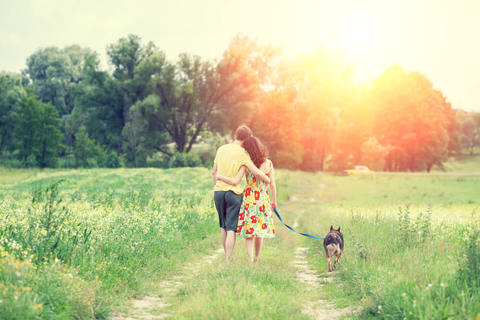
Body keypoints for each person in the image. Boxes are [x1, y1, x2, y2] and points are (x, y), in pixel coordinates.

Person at [212, 126, 270, 262]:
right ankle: (228, 259)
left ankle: (227, 257)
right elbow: (256, 172)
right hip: (234, 193)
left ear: (235, 134)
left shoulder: (221, 149)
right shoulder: (244, 153)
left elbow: (214, 172)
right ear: (247, 138)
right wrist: (266, 178)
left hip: (219, 191)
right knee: (231, 227)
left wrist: (216, 187)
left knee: (223, 226)